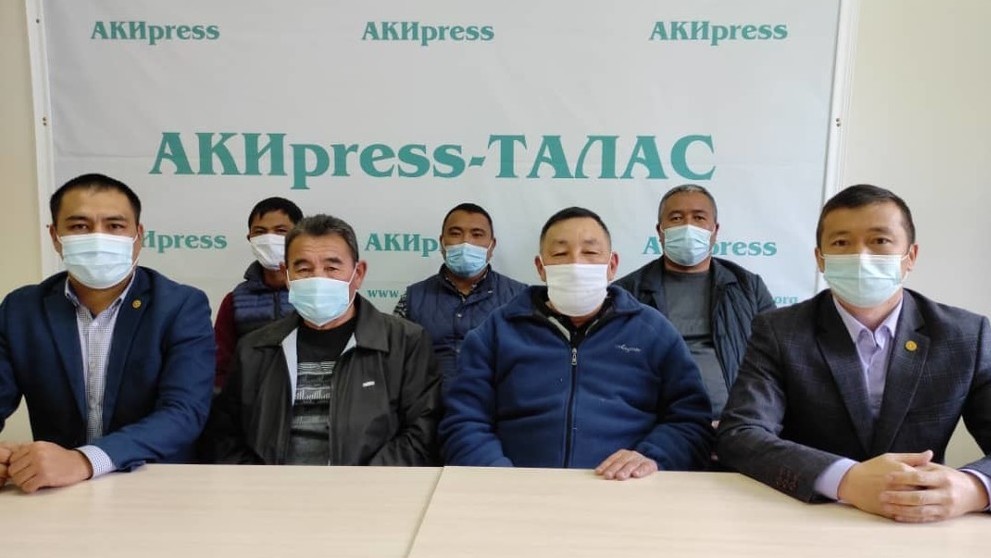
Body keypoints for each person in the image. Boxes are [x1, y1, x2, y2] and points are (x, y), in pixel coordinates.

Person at [717, 184, 991, 523]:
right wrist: (844, 479)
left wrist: (975, 487)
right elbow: (740, 434)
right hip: (807, 517)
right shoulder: (780, 331)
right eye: (841, 243)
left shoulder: (965, 335)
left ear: (911, 256)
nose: (860, 256)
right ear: (820, 258)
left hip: (919, 520)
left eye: (879, 240)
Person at [440, 207, 713, 480]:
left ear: (612, 265)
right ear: (541, 267)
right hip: (516, 488)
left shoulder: (653, 332)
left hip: (625, 488)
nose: (576, 264)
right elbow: (463, 421)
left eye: (590, 252)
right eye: (560, 254)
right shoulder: (495, 332)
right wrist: (498, 476)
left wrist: (653, 457)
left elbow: (690, 419)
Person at [0, 173, 214, 493]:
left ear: (138, 236)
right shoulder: (21, 309)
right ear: (55, 236)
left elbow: (184, 412)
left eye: (114, 226)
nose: (98, 237)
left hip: (156, 484)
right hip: (57, 491)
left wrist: (86, 460)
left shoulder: (180, 306)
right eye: (79, 226)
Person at [205, 214, 441, 466]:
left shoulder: (405, 343)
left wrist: (361, 483)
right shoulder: (255, 349)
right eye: (304, 269)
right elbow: (226, 437)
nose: (318, 279)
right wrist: (263, 483)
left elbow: (421, 433)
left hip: (371, 486)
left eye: (332, 268)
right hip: (270, 487)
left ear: (358, 273)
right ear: (286, 275)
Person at [615, 184, 775, 420]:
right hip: (658, 423)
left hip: (736, 422)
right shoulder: (626, 292)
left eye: (699, 217)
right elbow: (613, 369)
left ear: (715, 230)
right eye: (676, 218)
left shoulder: (748, 287)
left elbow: (774, 362)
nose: (688, 226)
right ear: (660, 231)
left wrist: (748, 420)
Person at [394, 203, 526, 389]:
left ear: (492, 245)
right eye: (456, 234)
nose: (466, 243)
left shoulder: (520, 297)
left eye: (477, 235)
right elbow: (394, 361)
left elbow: (532, 362)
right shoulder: (412, 298)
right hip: (429, 404)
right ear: (442, 242)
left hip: (499, 403)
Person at [213, 197, 302, 390]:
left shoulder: (316, 293)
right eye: (260, 232)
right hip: (251, 400)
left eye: (281, 231)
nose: (269, 239)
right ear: (250, 238)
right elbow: (221, 366)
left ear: (300, 235)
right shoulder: (235, 301)